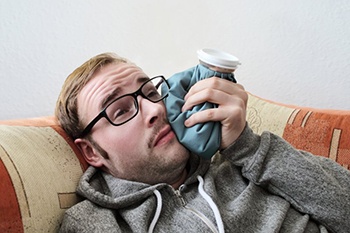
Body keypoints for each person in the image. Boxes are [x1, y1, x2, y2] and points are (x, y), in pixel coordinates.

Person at [56, 52, 350, 233]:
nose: (155, 110)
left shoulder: (247, 160)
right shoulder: (94, 223)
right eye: (121, 110)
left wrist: (248, 147)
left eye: (151, 92)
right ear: (91, 151)